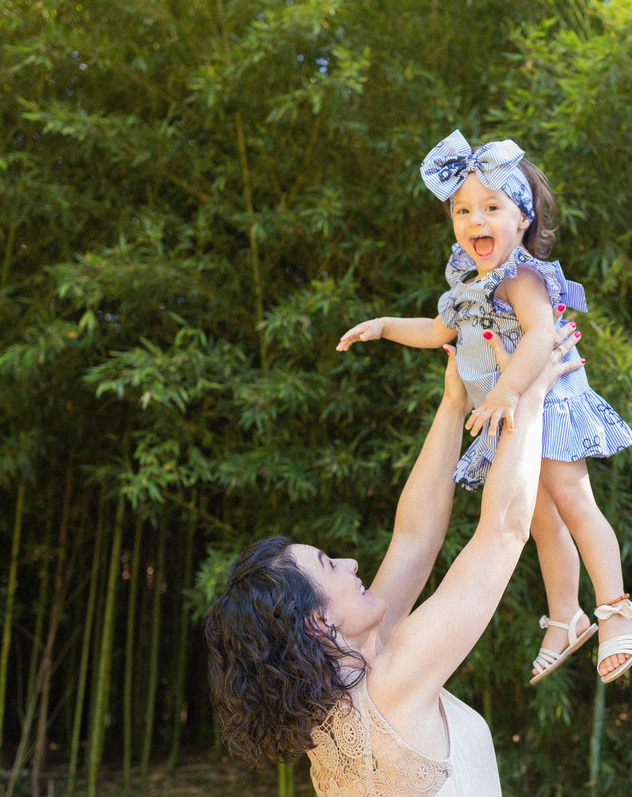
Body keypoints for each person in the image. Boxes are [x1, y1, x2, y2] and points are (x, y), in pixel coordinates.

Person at [206, 329, 580, 796]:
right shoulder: (391, 686)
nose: (351, 562)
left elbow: (415, 538)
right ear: (317, 622)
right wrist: (529, 396)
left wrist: (453, 403)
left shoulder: (336, 705)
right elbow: (504, 529)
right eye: (329, 565)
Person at [336, 129, 632, 685]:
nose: (476, 219)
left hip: (544, 403)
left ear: (522, 218)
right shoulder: (468, 284)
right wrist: (383, 326)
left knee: (573, 502)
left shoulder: (520, 275)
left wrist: (506, 391)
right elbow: (438, 331)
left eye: (492, 207)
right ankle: (564, 617)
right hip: (513, 412)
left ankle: (617, 607)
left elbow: (539, 332)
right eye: (462, 210)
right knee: (541, 519)